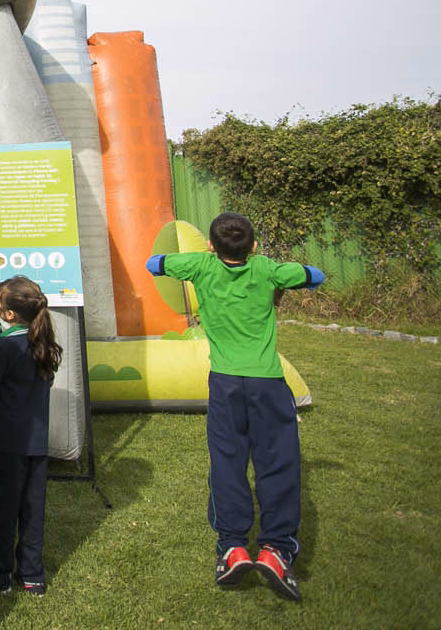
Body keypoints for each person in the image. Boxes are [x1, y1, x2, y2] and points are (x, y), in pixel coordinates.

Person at [146, 212, 324, 601]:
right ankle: (276, 549)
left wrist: (197, 261)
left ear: (211, 245)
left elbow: (154, 264)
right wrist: (284, 273)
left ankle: (233, 547)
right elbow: (316, 276)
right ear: (253, 245)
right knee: (278, 463)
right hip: (268, 384)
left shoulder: (200, 266)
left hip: (225, 385)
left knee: (227, 462)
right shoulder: (268, 269)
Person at [0, 276, 62, 598]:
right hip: (36, 443)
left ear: (9, 314)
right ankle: (32, 574)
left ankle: (0, 572)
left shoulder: (4, 348)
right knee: (32, 510)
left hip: (5, 443)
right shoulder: (43, 345)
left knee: (2, 510)